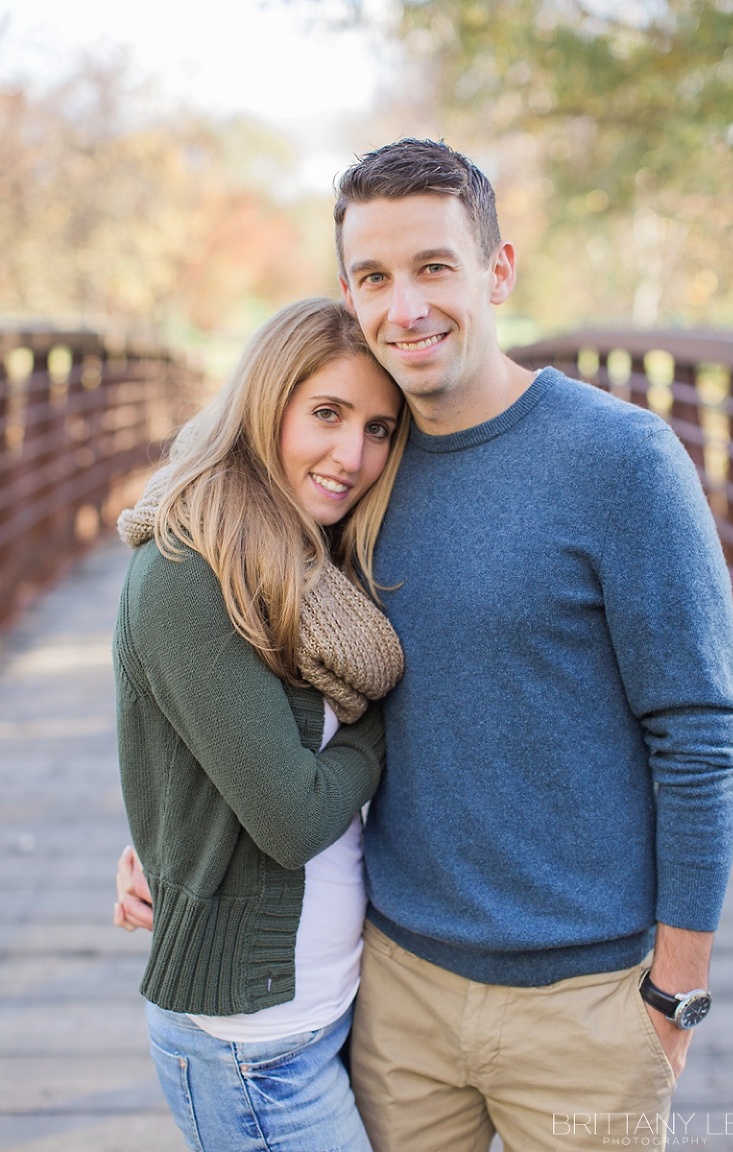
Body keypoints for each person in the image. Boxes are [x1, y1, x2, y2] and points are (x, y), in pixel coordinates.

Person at [118, 140, 733, 1152]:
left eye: (434, 267)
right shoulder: (352, 472)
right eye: (375, 277)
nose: (405, 307)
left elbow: (704, 735)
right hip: (393, 987)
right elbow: (262, 661)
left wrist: (677, 988)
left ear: (499, 272)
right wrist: (173, 818)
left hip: (580, 999)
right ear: (348, 294)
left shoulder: (621, 462)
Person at [111, 296, 409, 1152]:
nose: (351, 455)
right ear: (265, 400)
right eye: (326, 414)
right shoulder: (187, 569)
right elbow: (290, 818)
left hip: (323, 1013)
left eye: (380, 429)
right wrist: (389, 719)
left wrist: (155, 848)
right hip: (250, 1047)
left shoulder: (313, 561)